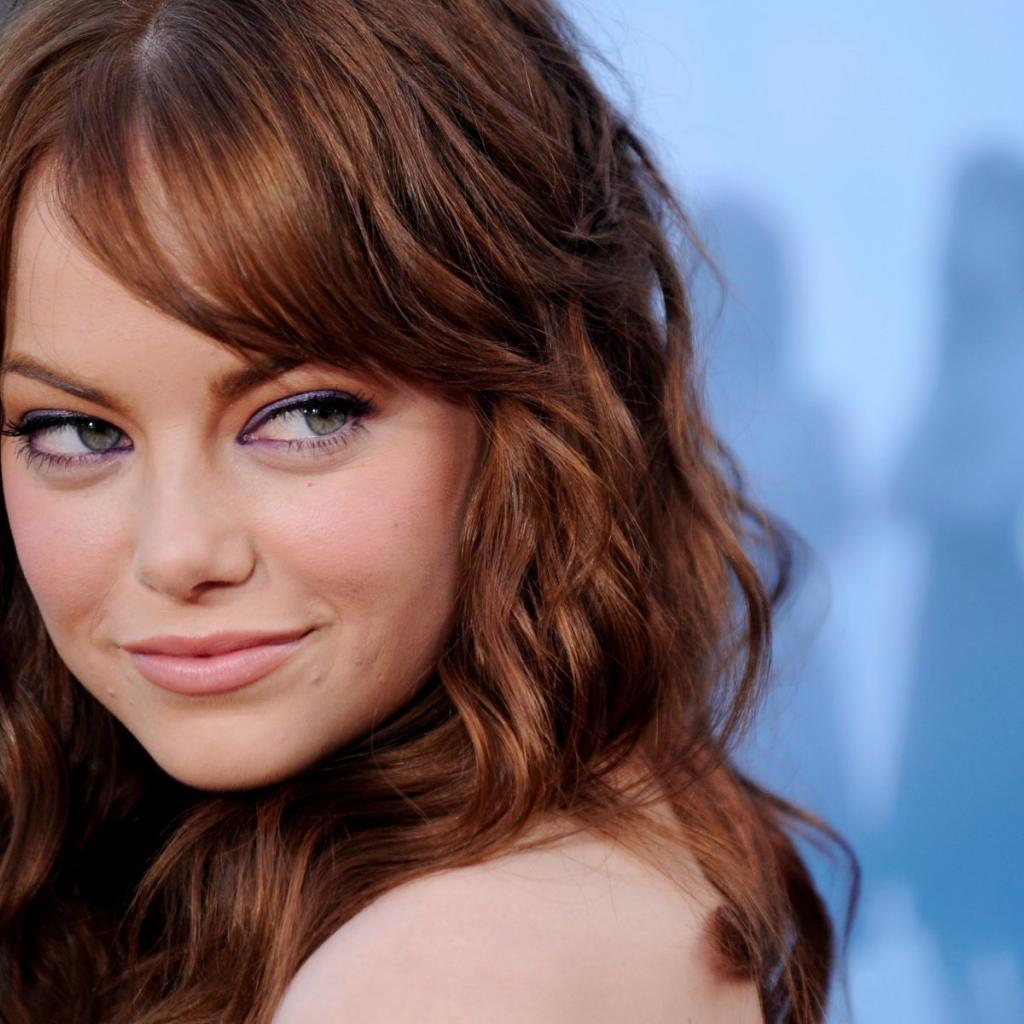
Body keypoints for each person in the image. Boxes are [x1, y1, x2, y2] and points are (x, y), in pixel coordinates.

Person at [0, 1, 855, 1021]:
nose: (178, 551)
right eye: (76, 432)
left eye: (307, 415)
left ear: (528, 414)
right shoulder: (614, 817)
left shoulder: (443, 978)